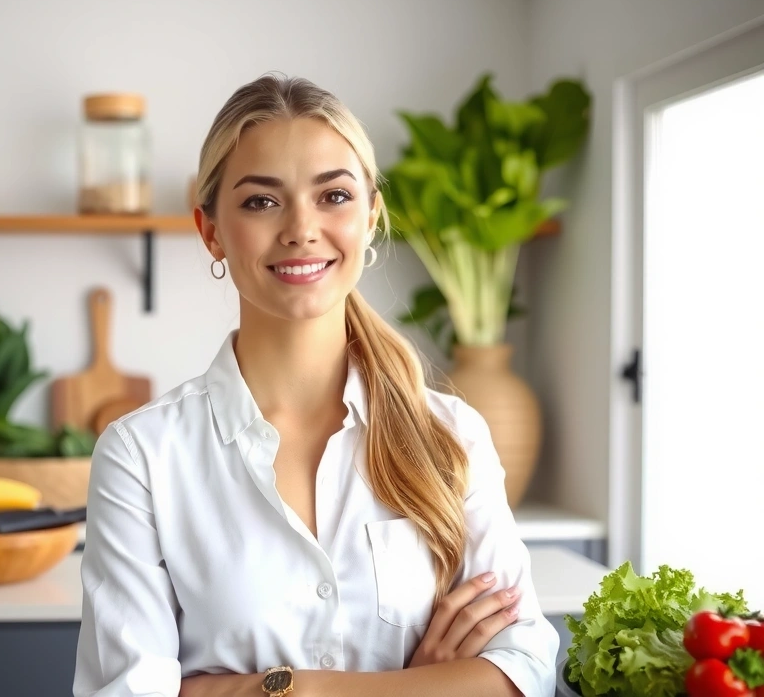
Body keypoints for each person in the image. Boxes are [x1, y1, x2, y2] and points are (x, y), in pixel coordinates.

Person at [73, 73, 559, 697]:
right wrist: (420, 686)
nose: (302, 228)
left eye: (333, 196)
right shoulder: (141, 455)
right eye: (261, 201)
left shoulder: (453, 436)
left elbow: (524, 671)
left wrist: (291, 689)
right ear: (211, 229)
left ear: (371, 217)